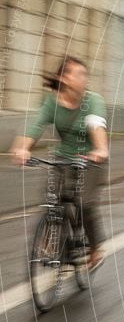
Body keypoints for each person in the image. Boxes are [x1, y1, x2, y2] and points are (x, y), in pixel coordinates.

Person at [10, 56, 108, 270]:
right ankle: (57, 244)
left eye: (85, 74)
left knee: (83, 203)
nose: (84, 78)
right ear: (64, 78)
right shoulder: (51, 102)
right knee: (52, 195)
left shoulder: (93, 101)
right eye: (79, 74)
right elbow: (35, 124)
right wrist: (23, 147)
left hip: (90, 159)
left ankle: (94, 248)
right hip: (64, 156)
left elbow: (96, 128)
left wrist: (99, 150)